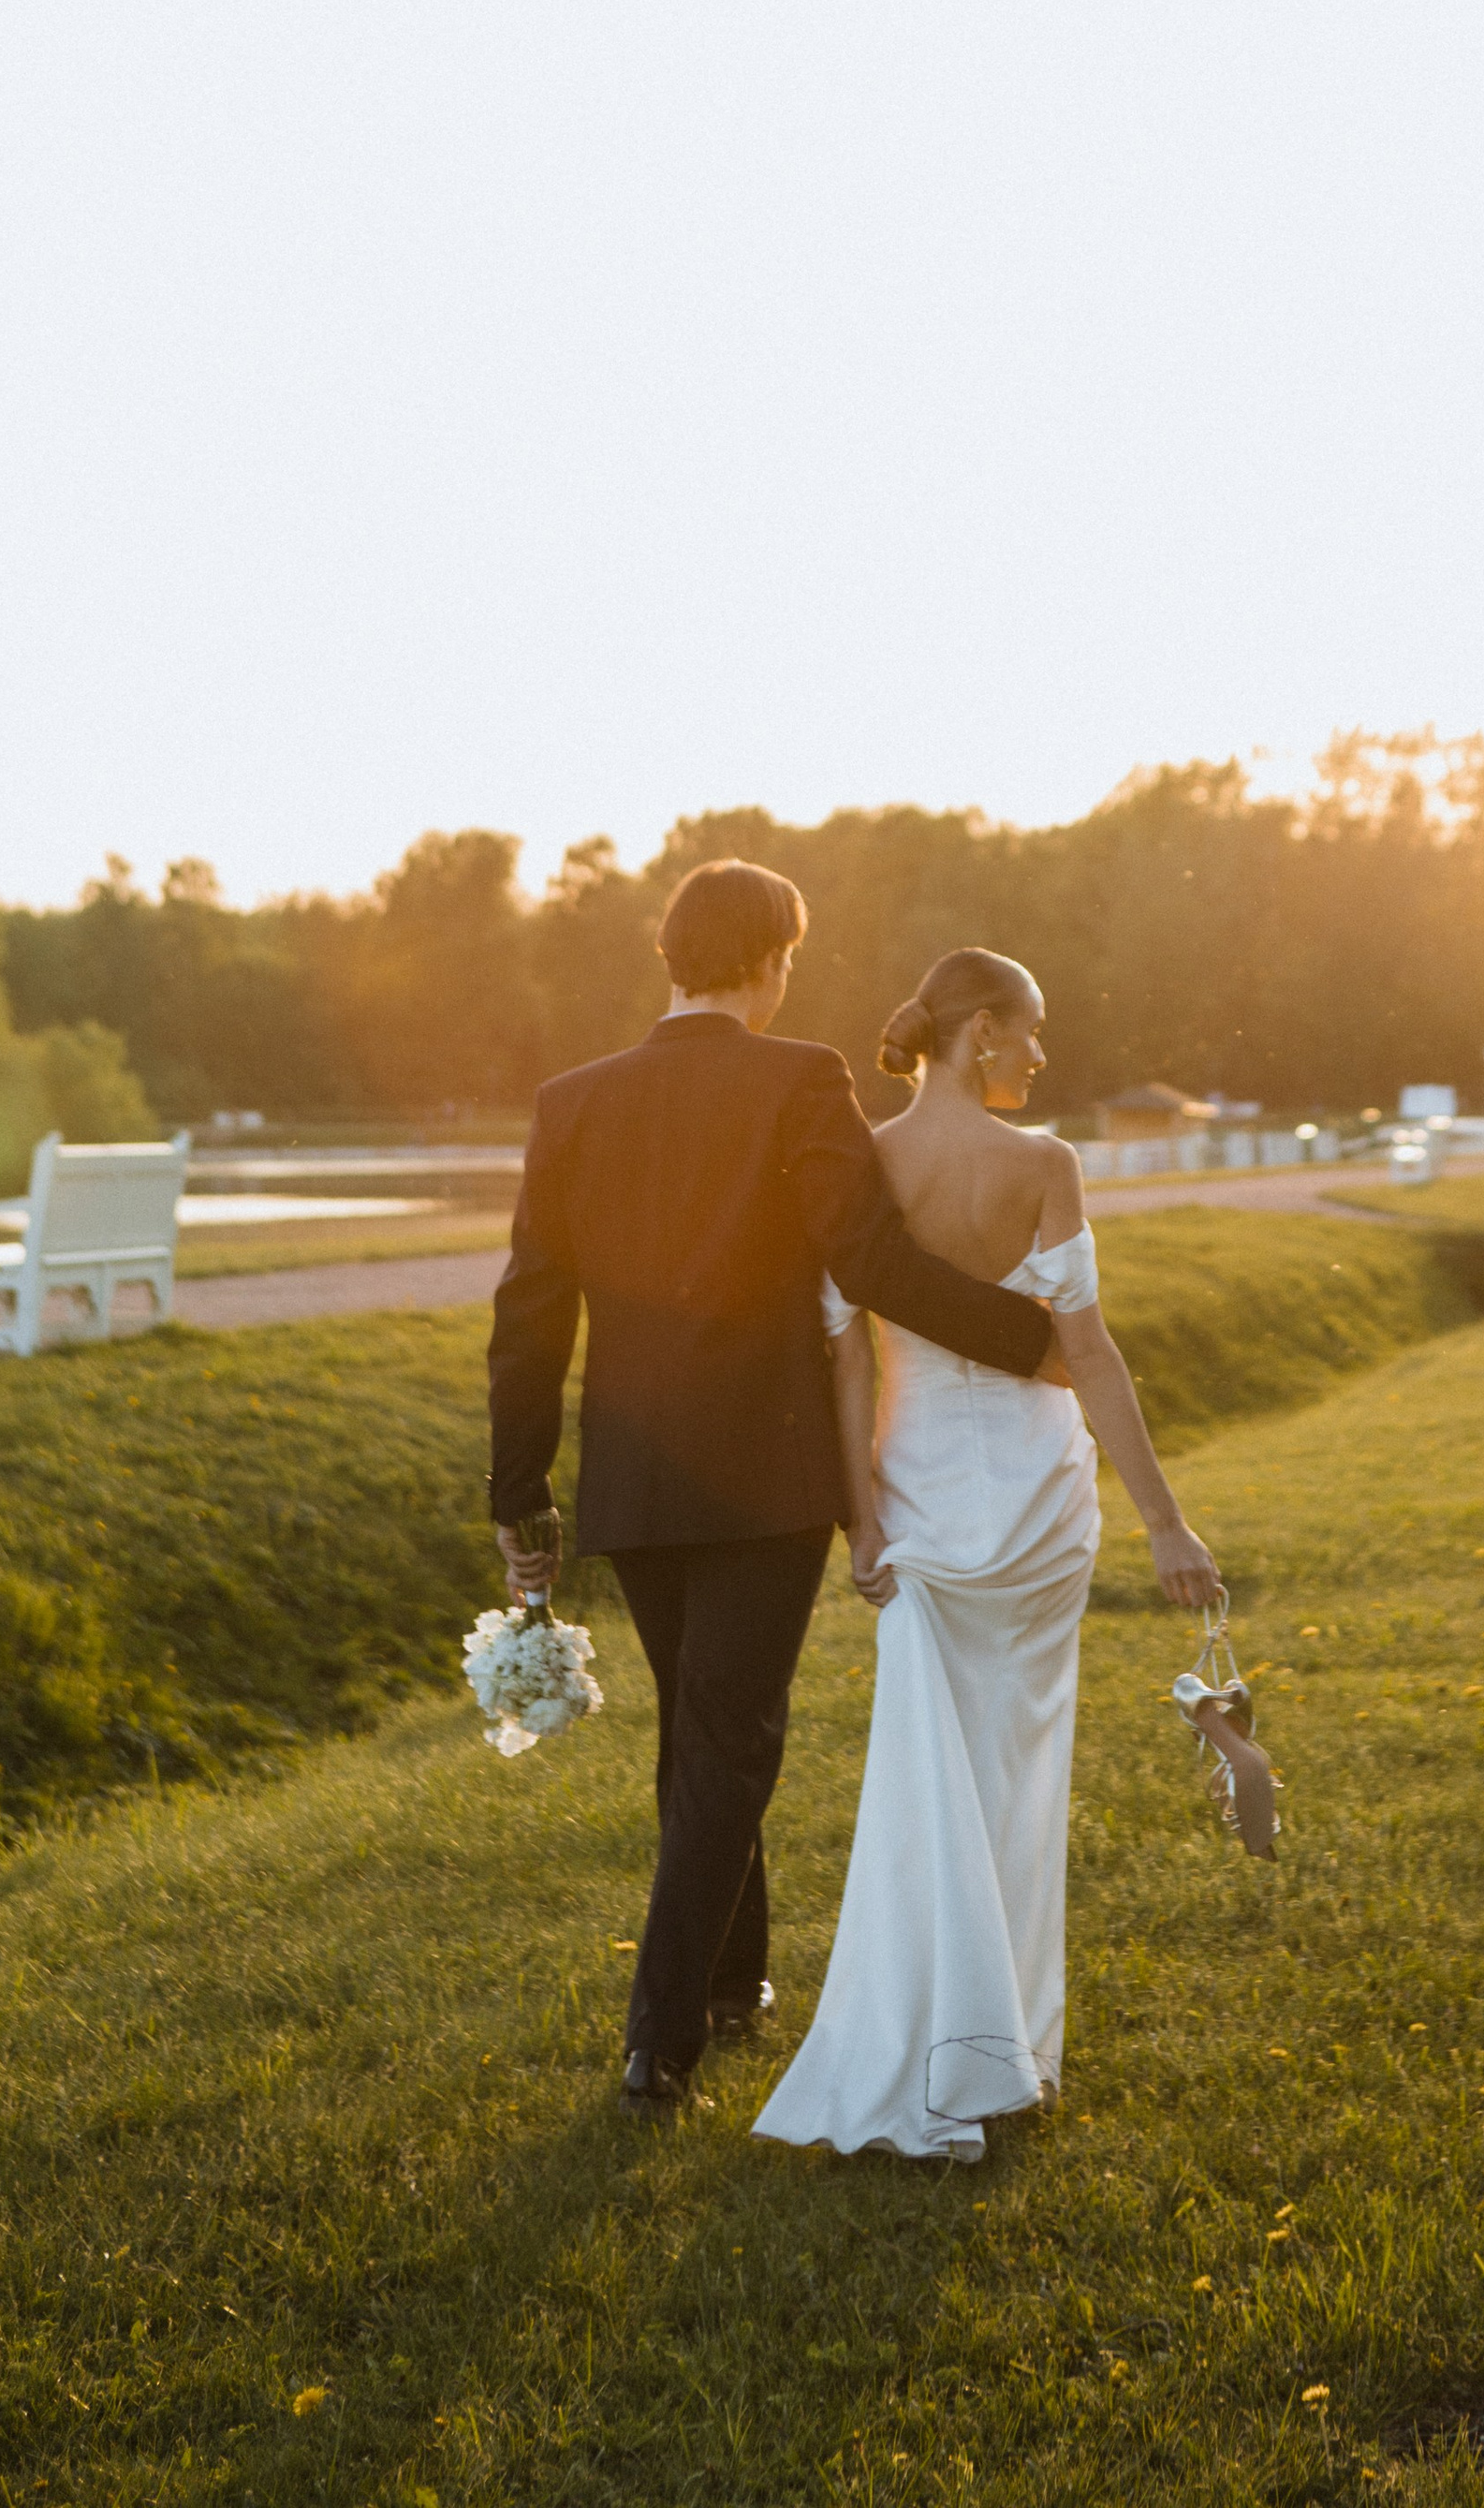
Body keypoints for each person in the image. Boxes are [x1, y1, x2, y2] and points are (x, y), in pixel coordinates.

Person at [485, 860, 1058, 2121]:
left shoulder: (572, 1101)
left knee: (704, 1736)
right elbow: (868, 1260)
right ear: (768, 960)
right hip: (762, 1473)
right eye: (790, 956)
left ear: (672, 957)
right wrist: (1031, 1338)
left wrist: (518, 1491)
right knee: (728, 1744)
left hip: (633, 1475)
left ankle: (734, 1989)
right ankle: (659, 2045)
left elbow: (531, 1308)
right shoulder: (800, 1078)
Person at [753, 946, 1221, 2164]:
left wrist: (863, 1521)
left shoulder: (865, 1166)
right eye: (1032, 1029)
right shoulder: (1043, 1165)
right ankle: (1001, 2045)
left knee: (927, 1777)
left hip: (921, 1503)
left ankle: (960, 2047)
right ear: (979, 1034)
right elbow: (1093, 1355)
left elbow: (846, 1361)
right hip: (1035, 1500)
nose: (1041, 1055)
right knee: (1016, 1779)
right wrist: (1166, 1519)